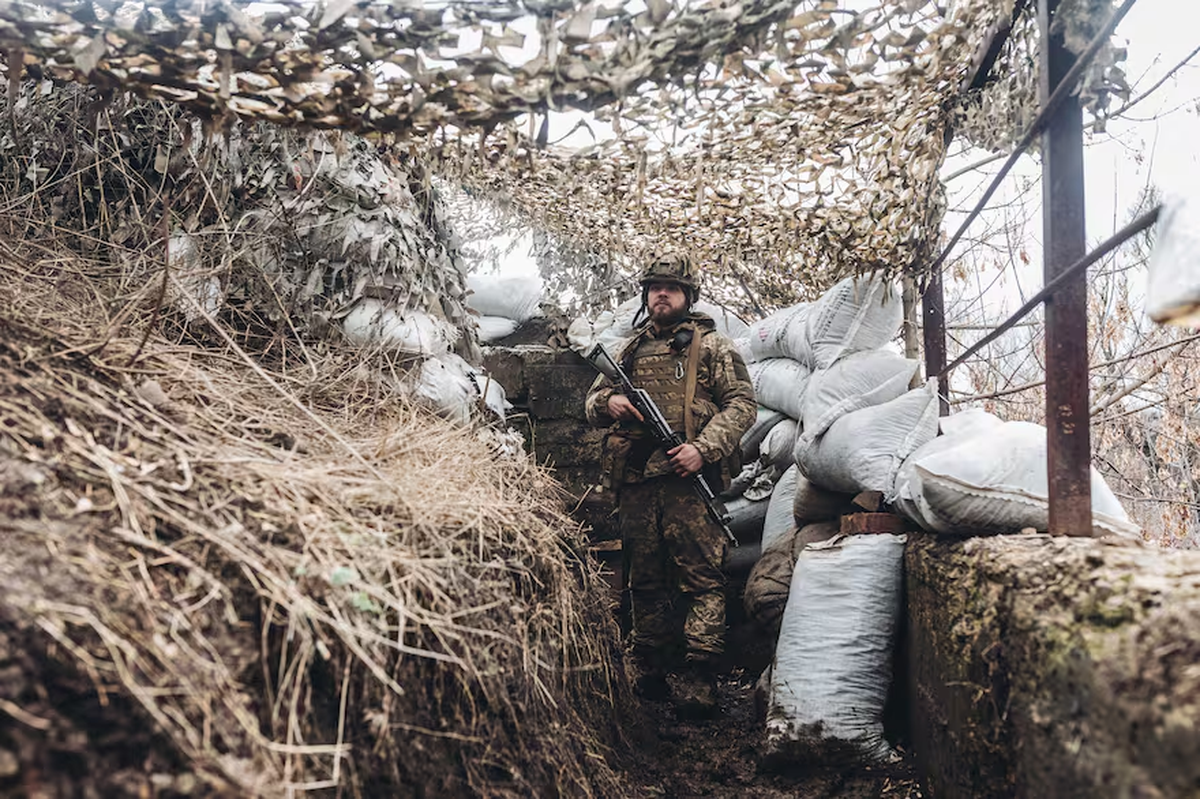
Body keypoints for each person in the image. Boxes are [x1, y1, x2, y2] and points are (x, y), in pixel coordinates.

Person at [585, 253, 756, 719]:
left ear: (688, 297)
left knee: (701, 579)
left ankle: (700, 677)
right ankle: (650, 670)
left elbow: (742, 405)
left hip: (688, 482)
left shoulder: (714, 347)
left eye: (671, 288)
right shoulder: (630, 349)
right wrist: (610, 401)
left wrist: (703, 448)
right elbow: (591, 402)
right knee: (644, 579)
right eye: (654, 287)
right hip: (638, 483)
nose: (661, 294)